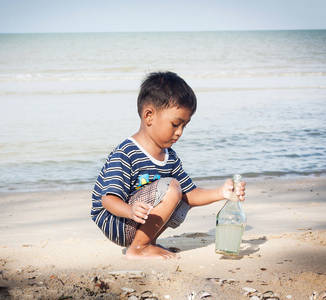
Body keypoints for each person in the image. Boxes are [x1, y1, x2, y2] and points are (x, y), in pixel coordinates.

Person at [91, 71, 246, 259]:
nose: (180, 132)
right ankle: (139, 247)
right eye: (175, 124)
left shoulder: (169, 157)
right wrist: (130, 211)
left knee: (180, 196)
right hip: (118, 220)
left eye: (184, 126)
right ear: (149, 116)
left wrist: (221, 193)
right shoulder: (126, 153)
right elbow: (107, 199)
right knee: (172, 188)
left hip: (138, 218)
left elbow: (190, 195)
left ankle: (147, 241)